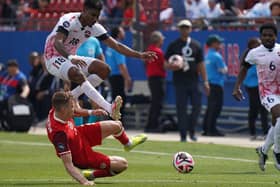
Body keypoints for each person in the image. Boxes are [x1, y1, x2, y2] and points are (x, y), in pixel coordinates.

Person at [43, 0, 156, 121]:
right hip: (53, 57)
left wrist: (140, 55)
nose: (95, 19)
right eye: (92, 15)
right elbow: (57, 42)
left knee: (104, 69)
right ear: (84, 10)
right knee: (77, 73)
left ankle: (71, 96)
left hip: (71, 58)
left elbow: (117, 46)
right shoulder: (69, 20)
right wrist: (71, 57)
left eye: (97, 16)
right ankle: (109, 107)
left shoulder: (94, 27)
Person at [46, 91, 147, 185]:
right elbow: (68, 165)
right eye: (71, 107)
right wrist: (84, 182)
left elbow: (75, 112)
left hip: (80, 134)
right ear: (63, 110)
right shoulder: (60, 135)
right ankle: (91, 175)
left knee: (117, 125)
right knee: (122, 164)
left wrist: (92, 112)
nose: (74, 109)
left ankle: (128, 144)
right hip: (82, 156)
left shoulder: (56, 109)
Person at [232, 23, 280, 171]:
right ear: (261, 37)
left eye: (270, 35)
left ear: (275, 36)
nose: (267, 38)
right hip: (267, 93)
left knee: (276, 124)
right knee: (279, 116)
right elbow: (243, 68)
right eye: (264, 35)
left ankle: (263, 150)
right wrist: (237, 87)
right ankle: (277, 152)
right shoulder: (254, 52)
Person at [165, 19, 210, 142]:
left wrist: (205, 81)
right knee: (181, 108)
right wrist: (172, 66)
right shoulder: (173, 45)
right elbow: (165, 64)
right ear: (179, 29)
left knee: (197, 107)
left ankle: (192, 131)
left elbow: (201, 64)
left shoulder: (196, 45)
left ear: (190, 29)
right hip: (179, 82)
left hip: (194, 81)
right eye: (182, 27)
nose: (185, 30)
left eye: (187, 27)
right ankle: (183, 135)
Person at [242, 38, 269, 140]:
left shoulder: (258, 55)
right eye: (257, 44)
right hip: (253, 86)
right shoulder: (250, 56)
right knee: (256, 109)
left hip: (259, 86)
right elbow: (250, 72)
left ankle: (264, 132)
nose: (260, 46)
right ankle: (254, 133)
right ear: (252, 45)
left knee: (263, 109)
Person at [202, 34, 227, 137]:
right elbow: (224, 70)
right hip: (216, 84)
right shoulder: (217, 56)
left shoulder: (207, 55)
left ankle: (206, 128)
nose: (220, 44)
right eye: (218, 42)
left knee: (210, 107)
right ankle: (211, 130)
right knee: (216, 108)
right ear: (213, 44)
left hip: (209, 83)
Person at [105, 26, 132, 120]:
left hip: (112, 77)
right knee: (120, 101)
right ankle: (117, 122)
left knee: (114, 100)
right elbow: (121, 65)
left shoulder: (109, 48)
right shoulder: (118, 47)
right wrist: (127, 78)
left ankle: (112, 121)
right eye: (122, 31)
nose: (124, 33)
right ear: (119, 34)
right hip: (118, 77)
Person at [144, 31, 166, 133]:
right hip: (158, 78)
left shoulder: (149, 50)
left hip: (151, 78)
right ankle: (153, 125)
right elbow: (164, 65)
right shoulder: (158, 51)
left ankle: (150, 124)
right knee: (157, 103)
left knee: (154, 102)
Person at [0, 60, 30, 129]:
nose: (10, 69)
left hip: (10, 101)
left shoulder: (20, 78)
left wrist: (21, 99)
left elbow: (26, 89)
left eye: (12, 67)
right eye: (9, 67)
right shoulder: (5, 75)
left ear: (16, 68)